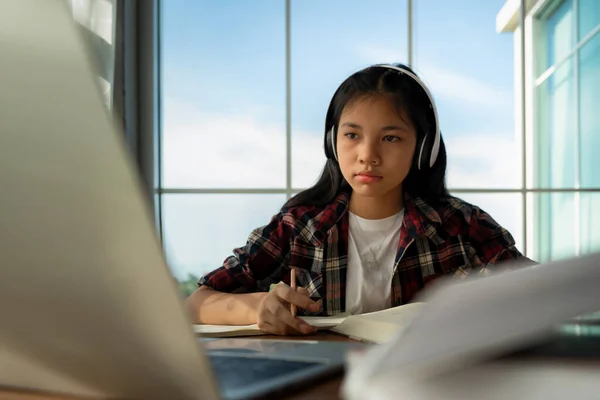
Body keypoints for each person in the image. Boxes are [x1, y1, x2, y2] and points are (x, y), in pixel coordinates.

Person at [185, 63, 533, 336]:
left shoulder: (462, 226)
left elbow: (539, 294)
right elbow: (195, 304)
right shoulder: (299, 227)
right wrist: (258, 306)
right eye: (352, 135)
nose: (368, 155)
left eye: (391, 138)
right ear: (332, 142)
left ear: (424, 149)